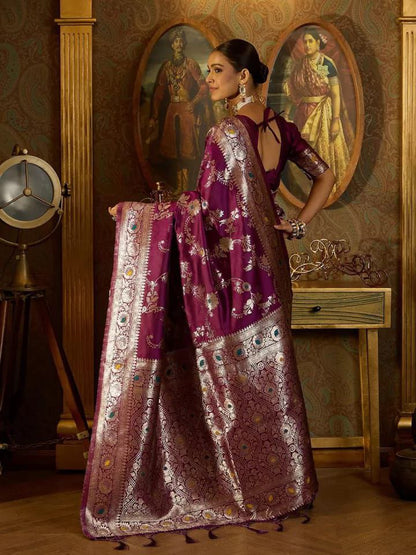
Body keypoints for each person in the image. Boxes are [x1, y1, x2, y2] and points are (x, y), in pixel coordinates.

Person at [81, 39, 334, 544]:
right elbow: (324, 176)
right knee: (269, 373)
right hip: (272, 265)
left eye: (217, 70)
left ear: (244, 76)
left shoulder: (225, 132)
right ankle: (286, 483)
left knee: (237, 377)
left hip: (235, 270)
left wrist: (136, 216)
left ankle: (247, 486)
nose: (209, 78)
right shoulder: (282, 128)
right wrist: (298, 224)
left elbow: (204, 209)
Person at [283, 27, 351, 197]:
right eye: (305, 42)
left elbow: (335, 94)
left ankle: (326, 193)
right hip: (302, 114)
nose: (307, 45)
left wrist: (335, 120)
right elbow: (293, 93)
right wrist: (287, 115)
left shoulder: (325, 64)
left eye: (310, 41)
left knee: (322, 155)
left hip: (323, 114)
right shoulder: (300, 65)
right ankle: (306, 193)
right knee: (303, 155)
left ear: (318, 43)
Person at [147, 27, 213, 196]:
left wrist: (193, 102)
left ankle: (188, 187)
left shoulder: (190, 64)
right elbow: (159, 92)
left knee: (186, 149)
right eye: (176, 41)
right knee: (174, 150)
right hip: (172, 111)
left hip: (186, 111)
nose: (179, 44)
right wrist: (154, 115)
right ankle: (179, 186)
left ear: (184, 44)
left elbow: (203, 87)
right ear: (172, 45)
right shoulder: (166, 67)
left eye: (181, 41)